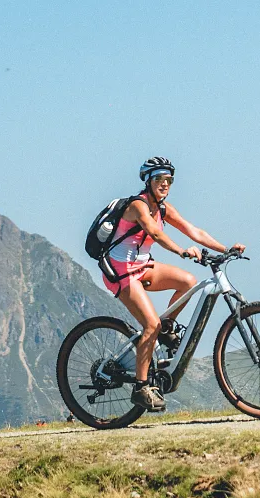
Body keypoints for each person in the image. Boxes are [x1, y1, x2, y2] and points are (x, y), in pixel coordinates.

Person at [101, 156, 245, 412]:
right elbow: (154, 233)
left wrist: (226, 248)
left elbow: (193, 230)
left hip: (142, 265)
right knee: (150, 325)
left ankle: (166, 329)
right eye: (159, 179)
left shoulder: (164, 208)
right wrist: (181, 252)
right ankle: (141, 387)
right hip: (121, 271)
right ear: (148, 181)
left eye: (169, 180)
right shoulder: (138, 206)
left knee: (188, 281)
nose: (164, 184)